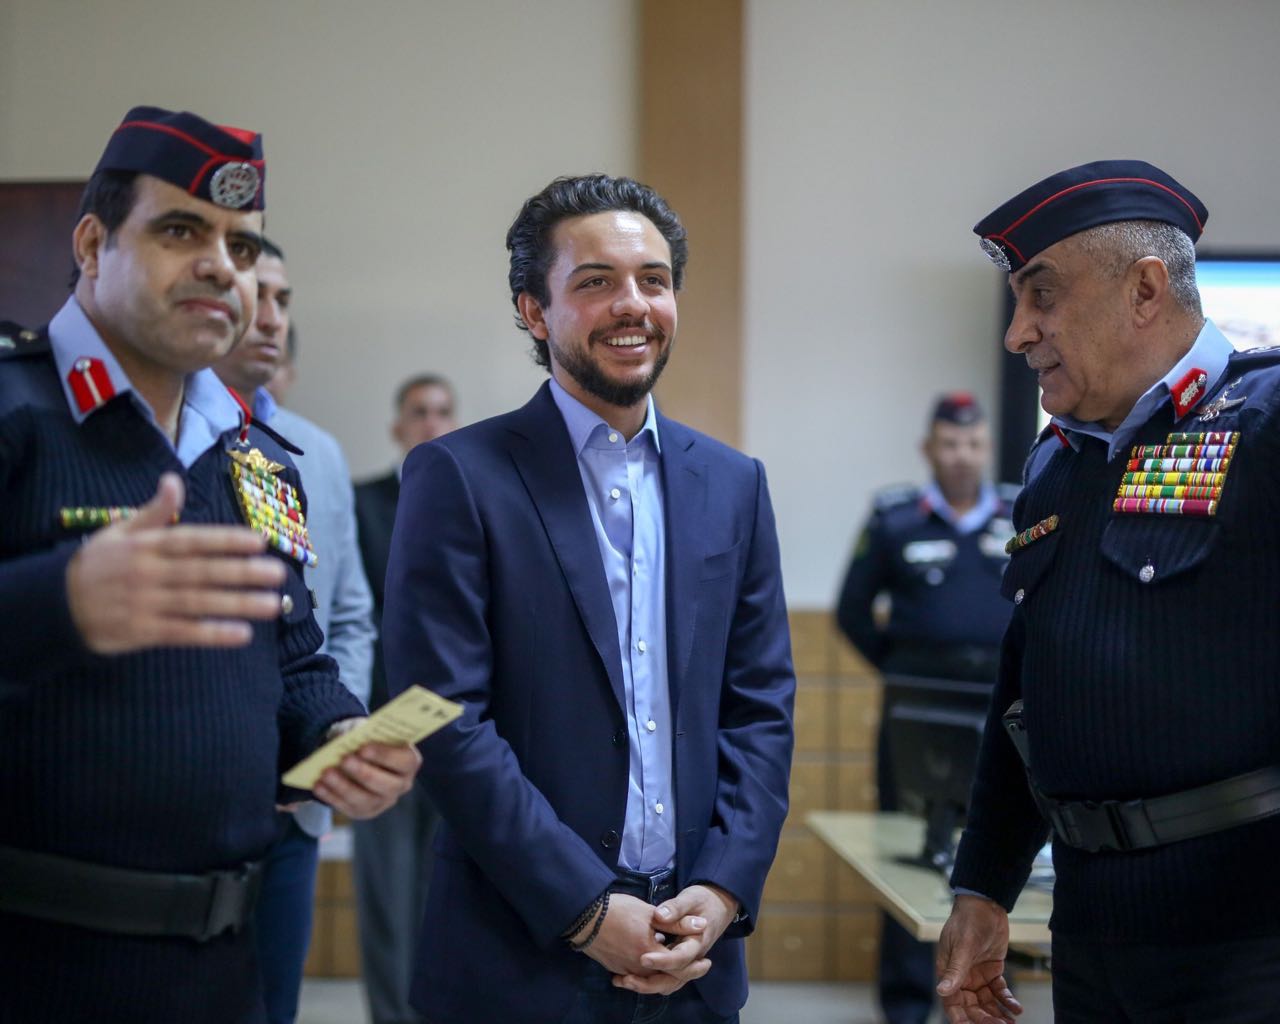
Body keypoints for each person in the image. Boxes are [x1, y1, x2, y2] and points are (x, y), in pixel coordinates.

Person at [0, 106, 419, 1024]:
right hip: (35, 960)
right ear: (92, 244)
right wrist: (60, 602)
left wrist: (338, 736)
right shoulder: (13, 410)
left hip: (226, 960)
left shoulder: (256, 457)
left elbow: (295, 656)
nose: (222, 266)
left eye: (241, 245)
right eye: (181, 231)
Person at [381, 174, 796, 1024]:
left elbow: (761, 706)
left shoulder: (734, 484)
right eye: (596, 281)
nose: (632, 304)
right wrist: (586, 908)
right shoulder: (460, 476)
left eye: (654, 280)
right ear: (534, 311)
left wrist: (723, 889)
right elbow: (442, 718)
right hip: (515, 957)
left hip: (694, 955)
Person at [936, 160, 1280, 1023]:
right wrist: (984, 883)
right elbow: (1023, 695)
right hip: (1093, 933)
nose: (1018, 333)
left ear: (1145, 290)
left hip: (1247, 941)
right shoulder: (1057, 465)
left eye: (1042, 294)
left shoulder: (1266, 422)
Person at [212, 239, 377, 1024]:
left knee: (273, 1003)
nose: (272, 319)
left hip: (292, 800)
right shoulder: (151, 433)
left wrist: (327, 738)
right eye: (258, 296)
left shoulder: (274, 455)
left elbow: (312, 625)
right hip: (182, 799)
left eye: (283, 301)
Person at [835, 393, 1014, 1024]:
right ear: (929, 449)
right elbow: (852, 612)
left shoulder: (1022, 513)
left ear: (986, 449)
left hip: (1001, 717)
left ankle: (985, 993)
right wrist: (901, 673)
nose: (962, 455)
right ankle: (909, 1005)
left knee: (998, 853)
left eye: (973, 444)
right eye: (950, 443)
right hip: (917, 719)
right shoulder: (895, 519)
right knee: (906, 853)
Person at [352, 372, 457, 1024]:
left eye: (442, 411)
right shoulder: (363, 502)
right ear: (398, 426)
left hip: (460, 731)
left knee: (447, 894)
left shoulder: (476, 503)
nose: (430, 422)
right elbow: (354, 613)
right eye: (419, 411)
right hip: (383, 724)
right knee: (388, 896)